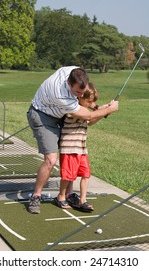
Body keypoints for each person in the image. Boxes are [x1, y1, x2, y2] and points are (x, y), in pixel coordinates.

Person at [27, 66, 118, 213]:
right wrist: (108, 110)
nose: (80, 95)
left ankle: (68, 195)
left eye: (83, 91)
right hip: (43, 115)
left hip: (59, 114)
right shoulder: (60, 94)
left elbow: (86, 102)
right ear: (69, 83)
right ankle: (36, 196)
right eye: (77, 92)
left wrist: (100, 107)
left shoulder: (73, 71)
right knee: (51, 159)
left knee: (70, 165)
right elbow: (87, 117)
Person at [53, 83, 102, 212]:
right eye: (89, 101)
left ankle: (83, 200)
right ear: (80, 98)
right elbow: (89, 116)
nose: (90, 104)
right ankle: (61, 196)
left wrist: (102, 113)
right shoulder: (72, 111)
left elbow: (90, 121)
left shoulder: (84, 112)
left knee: (86, 174)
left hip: (81, 149)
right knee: (68, 176)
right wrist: (103, 111)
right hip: (69, 148)